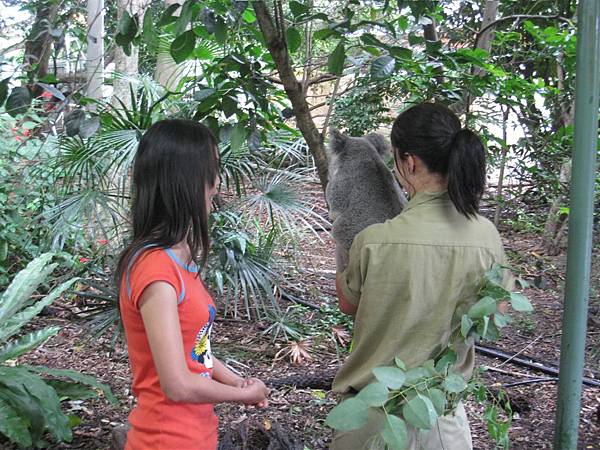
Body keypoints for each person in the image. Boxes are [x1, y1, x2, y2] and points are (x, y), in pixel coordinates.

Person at [331, 103, 510, 449]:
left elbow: (347, 304)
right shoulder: (486, 236)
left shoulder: (373, 241)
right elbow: (495, 314)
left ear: (409, 163)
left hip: (371, 416)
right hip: (441, 418)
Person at [116, 119, 269, 450]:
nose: (216, 183)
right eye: (212, 170)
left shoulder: (177, 258)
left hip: (194, 435)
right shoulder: (155, 268)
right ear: (186, 180)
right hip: (164, 439)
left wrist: (238, 381)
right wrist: (242, 395)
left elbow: (194, 353)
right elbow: (178, 385)